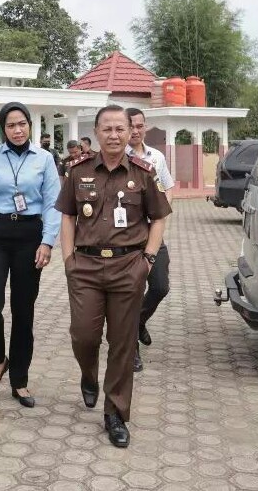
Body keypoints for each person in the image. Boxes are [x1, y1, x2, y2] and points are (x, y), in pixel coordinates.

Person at [57, 105, 171, 448]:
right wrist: (68, 260)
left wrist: (148, 259)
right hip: (86, 268)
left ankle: (115, 413)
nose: (114, 135)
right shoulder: (78, 171)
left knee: (122, 343)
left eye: (120, 128)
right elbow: (67, 216)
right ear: (96, 132)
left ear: (130, 131)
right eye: (107, 128)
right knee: (84, 336)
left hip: (128, 267)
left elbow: (159, 218)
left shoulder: (144, 172)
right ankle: (88, 375)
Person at [0, 102, 60, 409]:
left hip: (30, 236)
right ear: (2, 129)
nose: (18, 130)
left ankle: (19, 380)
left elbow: (52, 203)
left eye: (22, 124)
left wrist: (47, 242)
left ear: (30, 125)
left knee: (23, 310)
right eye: (11, 125)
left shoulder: (45, 158)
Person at [125, 107, 176, 372]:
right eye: (130, 126)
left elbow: (168, 186)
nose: (135, 131)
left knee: (160, 287)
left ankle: (139, 322)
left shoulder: (156, 156)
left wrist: (160, 213)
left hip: (153, 232)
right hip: (127, 236)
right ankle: (130, 346)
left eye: (140, 126)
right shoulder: (118, 157)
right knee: (131, 292)